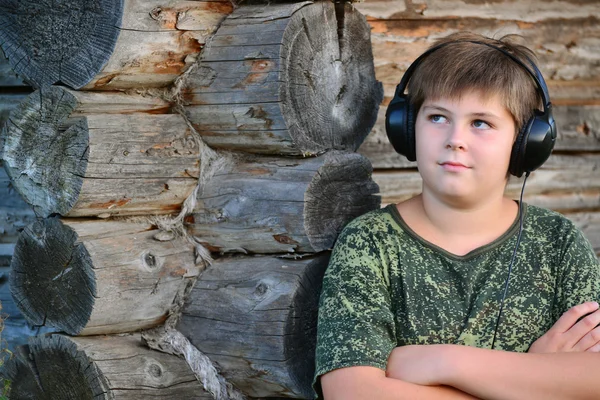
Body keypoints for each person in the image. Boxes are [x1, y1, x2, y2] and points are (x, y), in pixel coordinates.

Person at [312, 31, 600, 400]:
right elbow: (352, 392)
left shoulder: (556, 242)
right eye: (437, 117)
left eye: (481, 122)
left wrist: (446, 361)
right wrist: (534, 379)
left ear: (525, 142)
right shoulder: (370, 243)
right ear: (407, 127)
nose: (455, 139)